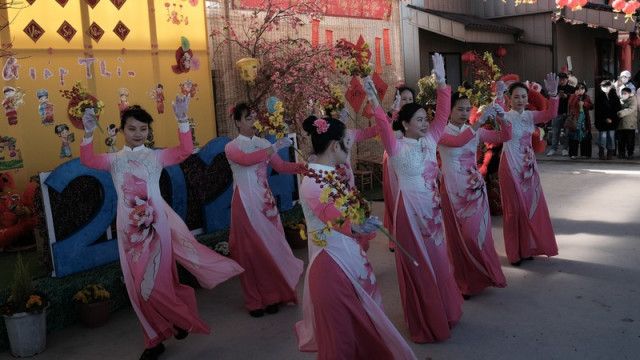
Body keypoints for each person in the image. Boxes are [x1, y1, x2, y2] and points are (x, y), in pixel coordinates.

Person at [80, 99, 244, 360]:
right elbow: (87, 159)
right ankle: (153, 340)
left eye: (143, 129)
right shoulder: (113, 161)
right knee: (137, 289)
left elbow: (185, 150)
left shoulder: (156, 157)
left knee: (157, 284)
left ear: (148, 131)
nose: (138, 134)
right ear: (123, 130)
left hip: (157, 228)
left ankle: (177, 319)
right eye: (132, 128)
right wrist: (88, 133)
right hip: (129, 234)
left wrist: (181, 118)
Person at [295, 115, 417, 360]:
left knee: (364, 328)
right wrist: (358, 226)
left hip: (346, 255)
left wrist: (360, 223)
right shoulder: (312, 183)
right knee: (341, 340)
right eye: (346, 143)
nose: (349, 147)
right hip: (331, 264)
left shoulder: (330, 174)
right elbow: (336, 219)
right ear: (333, 146)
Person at [366, 53, 463, 343]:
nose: (425, 123)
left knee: (439, 264)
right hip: (409, 215)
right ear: (406, 124)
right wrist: (374, 101)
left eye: (425, 119)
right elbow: (383, 125)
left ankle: (444, 311)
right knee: (419, 267)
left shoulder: (430, 140)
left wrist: (442, 81)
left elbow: (444, 115)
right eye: (419, 120)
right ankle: (425, 320)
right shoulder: (397, 148)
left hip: (432, 214)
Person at [224, 103, 305, 318]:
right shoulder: (232, 147)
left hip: (266, 204)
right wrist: (274, 147)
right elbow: (246, 160)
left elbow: (280, 167)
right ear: (238, 122)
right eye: (248, 118)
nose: (253, 122)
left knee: (272, 250)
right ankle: (254, 300)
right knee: (249, 253)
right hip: (244, 205)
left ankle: (273, 296)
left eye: (254, 117)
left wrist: (304, 165)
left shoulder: (262, 142)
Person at [438, 93, 511, 297]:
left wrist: (502, 118)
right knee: (458, 239)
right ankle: (465, 282)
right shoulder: (441, 132)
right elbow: (459, 141)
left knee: (477, 234)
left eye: (467, 108)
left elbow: (504, 137)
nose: (464, 112)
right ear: (449, 110)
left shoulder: (474, 131)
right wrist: (477, 123)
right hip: (451, 191)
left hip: (474, 189)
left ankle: (486, 274)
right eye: (459, 109)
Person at [499, 77, 559, 266]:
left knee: (530, 207)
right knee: (513, 210)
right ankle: (514, 253)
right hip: (509, 165)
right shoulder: (505, 116)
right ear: (509, 99)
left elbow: (550, 113)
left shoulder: (530, 116)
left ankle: (527, 248)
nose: (520, 100)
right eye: (516, 97)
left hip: (528, 167)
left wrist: (553, 95)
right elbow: (497, 113)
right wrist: (498, 97)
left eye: (523, 96)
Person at [383, 86, 415, 252]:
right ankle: (394, 237)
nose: (408, 102)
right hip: (393, 163)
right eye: (404, 99)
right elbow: (383, 131)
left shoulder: (417, 118)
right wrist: (393, 112)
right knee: (394, 199)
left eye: (410, 99)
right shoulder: (392, 118)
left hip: (411, 162)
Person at [546, 73, 574, 156]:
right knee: (555, 132)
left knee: (567, 133)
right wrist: (556, 96)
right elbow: (549, 98)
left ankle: (565, 149)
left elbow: (574, 98)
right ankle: (553, 149)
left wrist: (567, 96)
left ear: (567, 79)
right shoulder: (555, 88)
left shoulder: (572, 88)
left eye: (563, 79)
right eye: (560, 79)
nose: (561, 81)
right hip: (556, 113)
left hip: (568, 114)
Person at [566, 82, 593, 159]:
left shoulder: (587, 97)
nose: (580, 90)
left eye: (582, 88)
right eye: (578, 88)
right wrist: (576, 96)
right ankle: (573, 154)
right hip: (575, 119)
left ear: (585, 89)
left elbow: (591, 106)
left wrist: (584, 104)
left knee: (585, 136)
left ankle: (585, 154)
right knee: (573, 136)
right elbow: (570, 105)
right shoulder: (572, 96)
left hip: (584, 119)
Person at [594, 80, 620, 160]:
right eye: (603, 86)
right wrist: (605, 118)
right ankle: (601, 153)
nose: (605, 88)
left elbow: (617, 108)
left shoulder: (614, 96)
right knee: (602, 137)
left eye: (607, 86)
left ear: (610, 87)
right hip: (602, 121)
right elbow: (598, 110)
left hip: (612, 121)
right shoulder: (599, 96)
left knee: (611, 137)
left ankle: (610, 153)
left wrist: (612, 119)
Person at [616, 87, 638, 160]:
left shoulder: (633, 100)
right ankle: (621, 153)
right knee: (621, 141)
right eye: (622, 93)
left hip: (630, 124)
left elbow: (631, 109)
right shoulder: (620, 100)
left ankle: (630, 154)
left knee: (630, 141)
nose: (623, 95)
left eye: (625, 93)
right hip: (621, 125)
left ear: (629, 94)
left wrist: (620, 113)